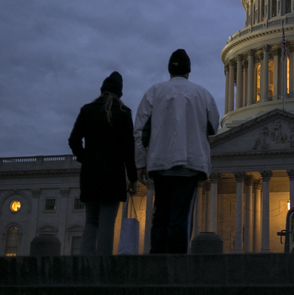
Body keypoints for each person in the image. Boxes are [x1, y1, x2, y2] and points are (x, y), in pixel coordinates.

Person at [133, 49, 220, 253]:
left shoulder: (154, 92)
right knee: (180, 217)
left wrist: (140, 163)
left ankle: (157, 264)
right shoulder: (203, 94)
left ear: (169, 71)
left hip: (161, 163)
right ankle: (177, 267)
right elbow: (214, 127)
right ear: (188, 71)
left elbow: (139, 131)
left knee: (160, 215)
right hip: (190, 164)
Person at [68, 71, 138, 256]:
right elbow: (128, 151)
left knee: (91, 221)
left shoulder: (87, 110)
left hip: (90, 174)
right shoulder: (123, 113)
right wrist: (133, 178)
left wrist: (85, 158)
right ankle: (102, 269)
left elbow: (73, 140)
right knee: (107, 224)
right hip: (113, 176)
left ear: (102, 90)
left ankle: (83, 267)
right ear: (119, 93)